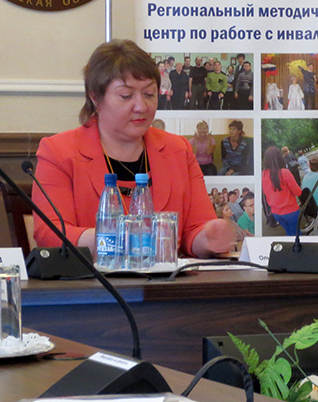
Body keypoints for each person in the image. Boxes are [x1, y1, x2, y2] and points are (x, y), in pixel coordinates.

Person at [30, 40, 239, 257]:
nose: (141, 106)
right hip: (93, 277)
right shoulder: (59, 152)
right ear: (95, 97)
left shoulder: (178, 150)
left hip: (167, 278)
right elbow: (51, 234)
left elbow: (195, 231)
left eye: (149, 94)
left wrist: (209, 238)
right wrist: (120, 240)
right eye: (126, 96)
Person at [262, 146, 304, 236]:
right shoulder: (284, 172)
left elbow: (266, 193)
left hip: (276, 213)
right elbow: (298, 192)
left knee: (288, 233)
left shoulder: (263, 174)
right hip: (291, 211)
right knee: (296, 234)